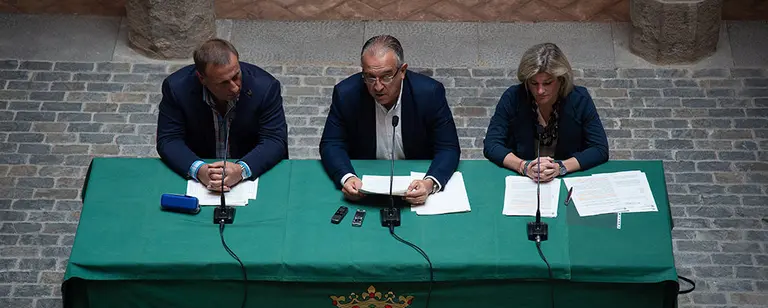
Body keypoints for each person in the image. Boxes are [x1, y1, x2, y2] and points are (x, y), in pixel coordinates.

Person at [319, 35, 460, 205]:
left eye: (386, 77)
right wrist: (347, 177)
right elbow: (331, 143)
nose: (377, 86)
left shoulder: (429, 93)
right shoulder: (346, 94)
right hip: (366, 184)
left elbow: (448, 147)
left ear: (402, 71)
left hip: (414, 180)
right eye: (370, 77)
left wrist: (429, 183)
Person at [156, 38, 288, 191]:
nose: (234, 87)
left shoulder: (265, 88)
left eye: (236, 76)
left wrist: (241, 170)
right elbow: (169, 140)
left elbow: (275, 140)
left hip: (252, 175)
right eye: (223, 82)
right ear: (202, 78)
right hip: (201, 177)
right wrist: (200, 170)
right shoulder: (176, 89)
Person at [483, 43, 608, 182]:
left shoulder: (580, 99)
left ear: (561, 80)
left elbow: (599, 149)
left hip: (567, 178)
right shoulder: (513, 97)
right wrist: (523, 166)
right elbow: (492, 144)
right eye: (533, 83)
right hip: (521, 179)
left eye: (547, 83)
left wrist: (561, 167)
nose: (540, 91)